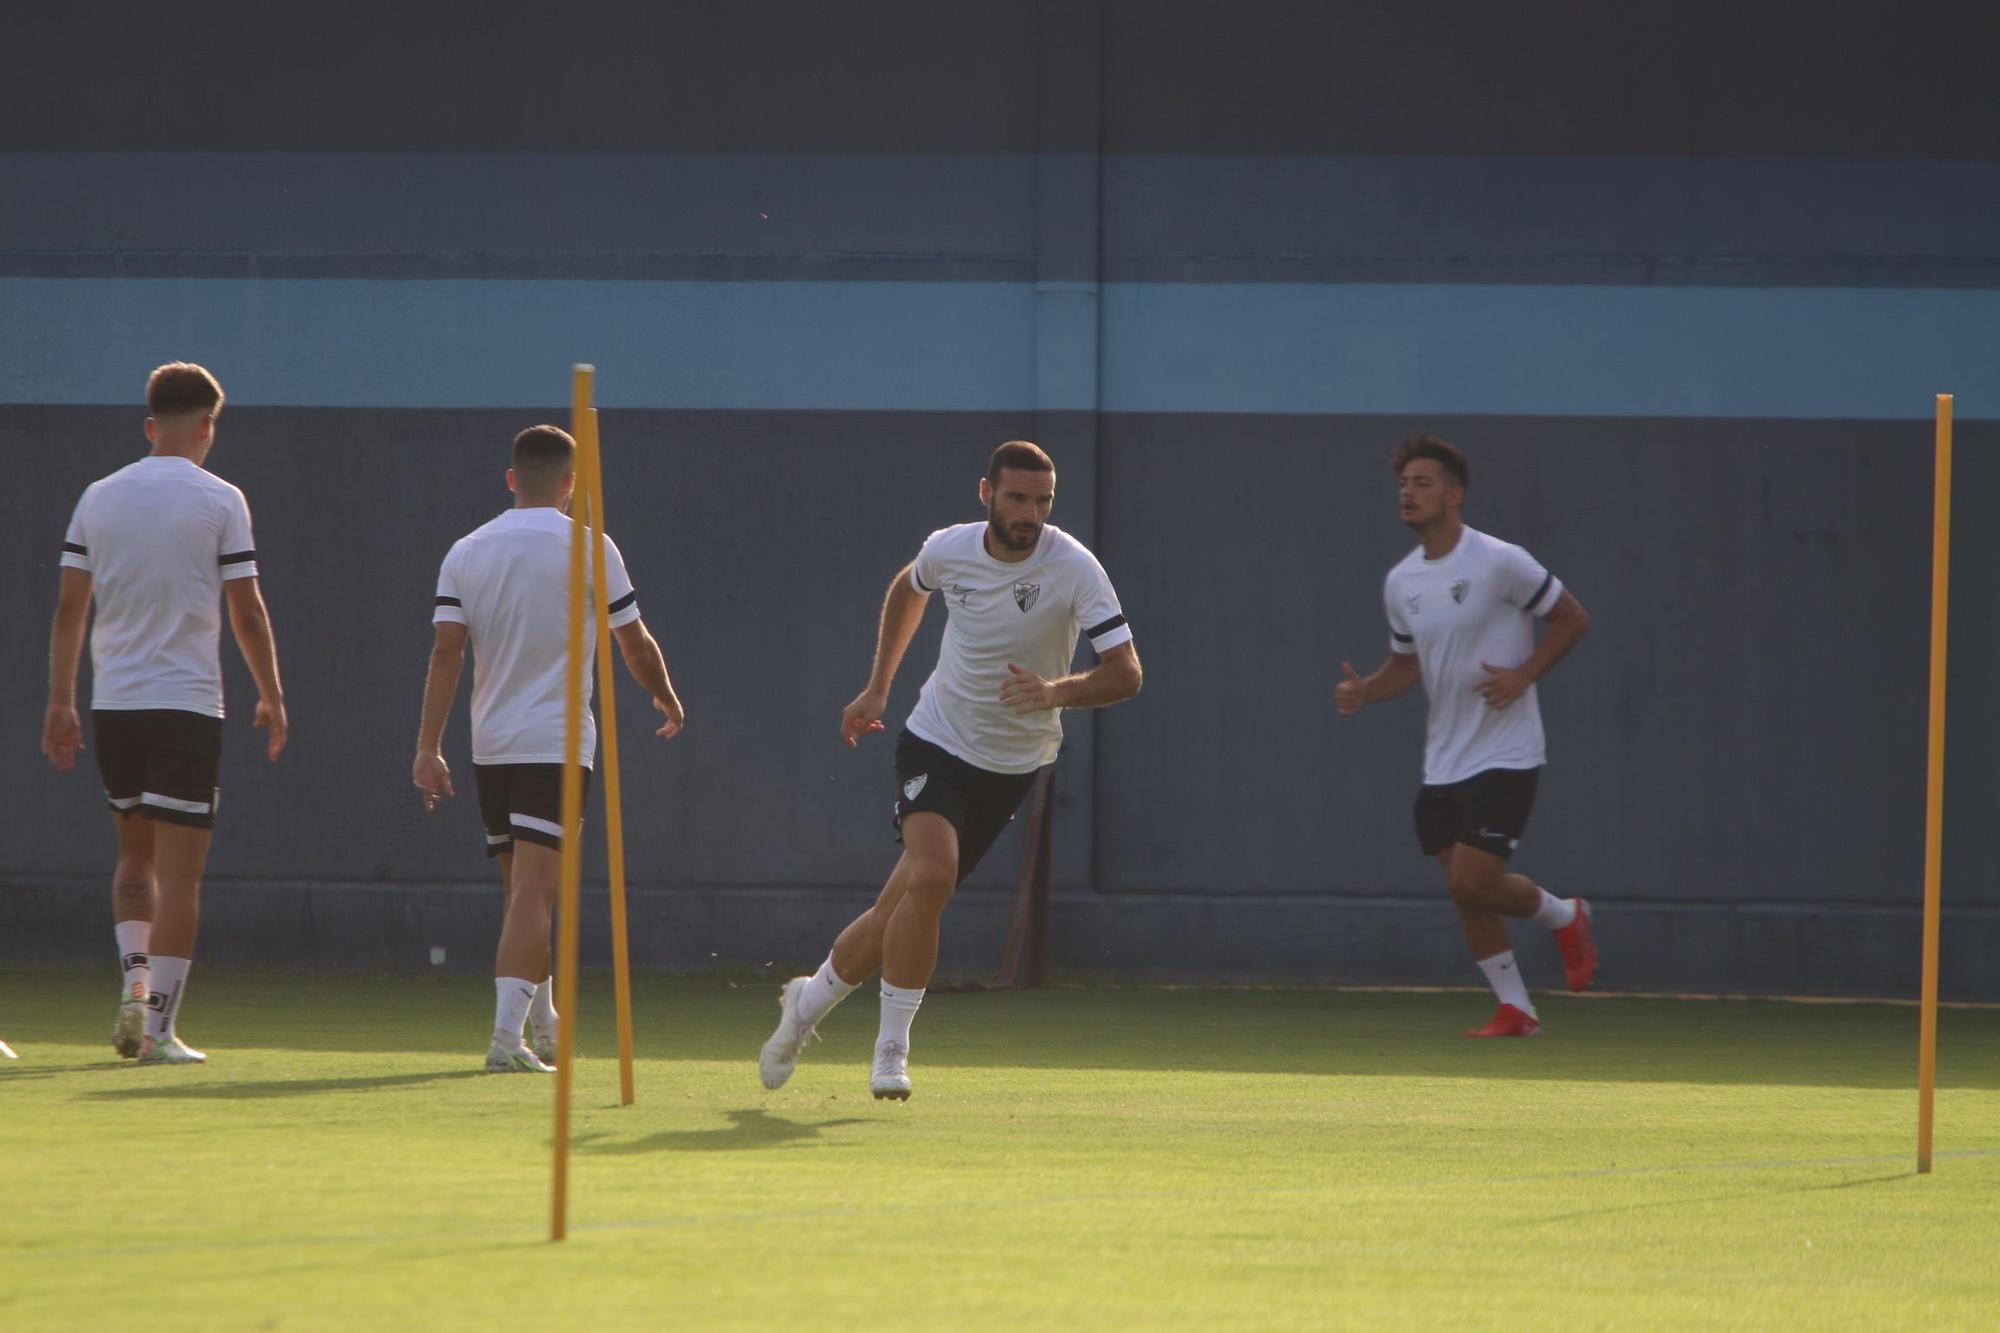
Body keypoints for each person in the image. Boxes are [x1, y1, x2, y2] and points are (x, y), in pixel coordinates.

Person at [760, 440, 1142, 1099]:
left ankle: (804, 1005)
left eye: (1043, 500)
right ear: (986, 492)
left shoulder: (1076, 566)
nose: (1031, 512)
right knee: (932, 877)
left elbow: (1126, 673)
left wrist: (1056, 691)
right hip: (933, 739)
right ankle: (891, 1052)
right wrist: (879, 686)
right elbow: (909, 589)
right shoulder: (950, 549)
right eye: (1018, 497)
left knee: (895, 913)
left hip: (1010, 766)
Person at [412, 425, 684, 1073]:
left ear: (512, 478)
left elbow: (446, 650)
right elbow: (635, 642)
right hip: (555, 742)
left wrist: (427, 745)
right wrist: (667, 697)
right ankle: (506, 1040)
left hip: (491, 742)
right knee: (536, 890)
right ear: (572, 484)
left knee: (524, 895)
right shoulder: (591, 547)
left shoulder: (466, 550)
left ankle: (544, 1021)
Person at [42, 362, 288, 1064]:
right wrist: (271, 692)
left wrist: (60, 702)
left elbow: (69, 609)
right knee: (181, 876)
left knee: (133, 855)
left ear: (151, 426)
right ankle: (158, 1025)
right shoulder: (221, 499)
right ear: (207, 425)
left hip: (114, 703)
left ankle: (134, 982)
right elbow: (247, 608)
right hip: (186, 705)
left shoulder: (99, 496)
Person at [1335, 433, 1596, 1036]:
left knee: (1469, 881)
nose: (1409, 493)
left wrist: (1526, 674)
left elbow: (1571, 618)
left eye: (1422, 483)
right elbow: (1406, 665)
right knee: (1467, 892)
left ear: (1454, 495)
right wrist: (1366, 691)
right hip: (1442, 760)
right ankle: (1516, 1010)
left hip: (1507, 750)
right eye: (1403, 485)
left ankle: (1565, 917)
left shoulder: (1500, 561)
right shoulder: (1401, 582)